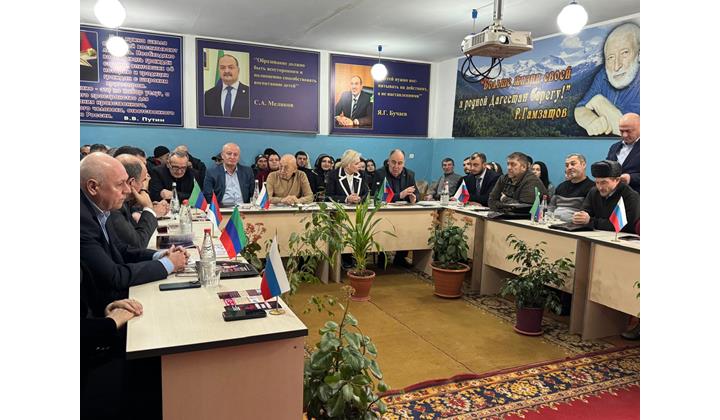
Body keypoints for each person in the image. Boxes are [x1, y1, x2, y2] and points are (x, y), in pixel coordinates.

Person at [80, 152, 189, 306]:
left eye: (127, 182)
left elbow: (121, 249)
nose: (128, 190)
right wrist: (168, 264)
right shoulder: (82, 220)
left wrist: (160, 255)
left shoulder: (102, 207)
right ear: (93, 187)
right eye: (120, 184)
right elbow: (114, 276)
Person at [574, 23, 640, 136]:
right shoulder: (603, 75)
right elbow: (579, 109)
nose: (616, 66)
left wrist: (599, 103)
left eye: (625, 53)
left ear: (639, 54)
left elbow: (630, 130)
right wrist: (591, 121)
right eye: (611, 57)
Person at [108, 155, 167, 248]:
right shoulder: (114, 207)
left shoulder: (125, 203)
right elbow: (138, 244)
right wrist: (149, 209)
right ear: (132, 182)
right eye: (144, 180)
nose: (146, 183)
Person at [572, 160, 640, 232]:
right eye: (597, 182)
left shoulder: (631, 196)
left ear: (617, 180)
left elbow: (626, 226)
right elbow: (584, 213)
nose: (600, 187)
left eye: (604, 183)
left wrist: (591, 221)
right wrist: (579, 217)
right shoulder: (594, 192)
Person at [549, 154, 595, 222]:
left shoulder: (592, 188)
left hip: (574, 225)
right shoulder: (561, 186)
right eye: (567, 165)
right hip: (552, 223)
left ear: (583, 165)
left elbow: (584, 214)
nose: (569, 167)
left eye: (573, 164)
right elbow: (551, 207)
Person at [606, 112, 640, 193]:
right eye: (621, 131)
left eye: (628, 131)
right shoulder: (614, 147)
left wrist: (630, 178)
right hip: (615, 195)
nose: (624, 135)